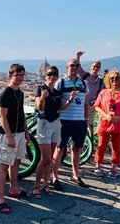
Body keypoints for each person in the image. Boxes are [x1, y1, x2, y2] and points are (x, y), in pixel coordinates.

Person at [32, 66, 79, 199]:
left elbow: (61, 107)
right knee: (45, 159)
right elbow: (39, 107)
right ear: (45, 75)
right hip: (45, 124)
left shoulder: (58, 92)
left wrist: (70, 99)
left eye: (54, 74)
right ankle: (36, 184)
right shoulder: (40, 88)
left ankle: (46, 184)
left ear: (58, 76)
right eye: (49, 74)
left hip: (56, 124)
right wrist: (42, 98)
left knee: (51, 158)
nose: (52, 76)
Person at [0, 63, 32, 214]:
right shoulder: (6, 93)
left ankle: (14, 188)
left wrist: (26, 132)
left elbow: (21, 113)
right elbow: (2, 117)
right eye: (18, 75)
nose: (21, 78)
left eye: (23, 75)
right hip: (8, 134)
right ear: (10, 75)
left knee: (16, 162)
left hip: (20, 133)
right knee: (4, 165)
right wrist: (9, 136)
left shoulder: (20, 93)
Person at [51, 58, 89, 190]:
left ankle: (75, 174)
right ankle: (55, 177)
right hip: (64, 121)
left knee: (77, 148)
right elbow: (57, 102)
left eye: (77, 65)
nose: (75, 67)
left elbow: (85, 103)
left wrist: (86, 120)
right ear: (67, 67)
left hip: (79, 121)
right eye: (72, 65)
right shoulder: (61, 82)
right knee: (60, 148)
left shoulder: (83, 83)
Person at [93, 70, 120, 179]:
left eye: (117, 78)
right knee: (101, 146)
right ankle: (98, 165)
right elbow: (97, 106)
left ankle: (114, 168)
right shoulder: (104, 92)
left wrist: (119, 118)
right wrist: (106, 115)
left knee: (116, 147)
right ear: (108, 80)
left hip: (118, 124)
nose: (114, 80)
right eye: (112, 78)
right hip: (104, 123)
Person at [76, 51, 104, 132]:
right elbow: (78, 68)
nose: (95, 68)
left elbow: (101, 94)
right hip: (81, 105)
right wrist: (78, 57)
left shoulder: (100, 81)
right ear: (91, 67)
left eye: (98, 67)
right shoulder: (85, 75)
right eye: (94, 66)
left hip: (91, 107)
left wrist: (97, 100)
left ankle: (90, 141)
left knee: (90, 125)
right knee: (79, 125)